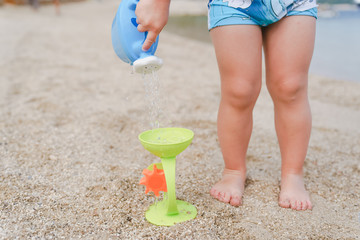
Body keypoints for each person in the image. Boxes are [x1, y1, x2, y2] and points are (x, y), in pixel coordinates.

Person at [135, 0, 317, 211]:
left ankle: (293, 173)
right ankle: (233, 171)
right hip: (232, 4)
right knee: (239, 90)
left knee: (291, 88)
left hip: (294, 4)